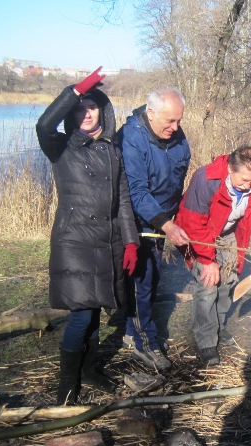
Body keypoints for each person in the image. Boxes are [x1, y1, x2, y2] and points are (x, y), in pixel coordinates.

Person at [36, 67, 139, 405]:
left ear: (102, 112)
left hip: (107, 242)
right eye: (79, 108)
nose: (85, 114)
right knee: (81, 314)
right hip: (75, 243)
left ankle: (90, 370)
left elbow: (123, 199)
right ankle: (67, 382)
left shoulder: (112, 150)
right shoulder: (61, 146)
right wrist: (74, 91)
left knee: (95, 311)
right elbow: (43, 124)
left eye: (91, 107)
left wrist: (130, 242)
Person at [175, 146, 251, 366]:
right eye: (244, 180)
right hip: (199, 233)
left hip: (227, 232)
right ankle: (206, 339)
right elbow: (193, 223)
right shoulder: (206, 179)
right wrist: (207, 261)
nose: (249, 186)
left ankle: (217, 325)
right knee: (208, 285)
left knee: (229, 280)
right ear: (229, 168)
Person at [120, 88, 191, 371]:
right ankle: (145, 343)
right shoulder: (132, 139)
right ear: (151, 114)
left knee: (153, 276)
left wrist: (178, 218)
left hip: (163, 221)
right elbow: (136, 191)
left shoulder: (176, 136)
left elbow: (178, 177)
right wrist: (166, 223)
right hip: (138, 221)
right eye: (170, 121)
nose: (175, 128)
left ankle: (129, 329)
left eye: (179, 121)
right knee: (142, 280)